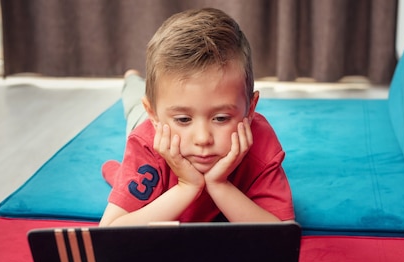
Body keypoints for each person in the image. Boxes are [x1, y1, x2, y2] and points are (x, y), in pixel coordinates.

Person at [99, 7, 295, 226]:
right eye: (183, 119)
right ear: (154, 114)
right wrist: (187, 186)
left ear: (250, 110)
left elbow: (282, 234)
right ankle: (132, 79)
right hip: (145, 120)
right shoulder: (146, 142)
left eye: (221, 118)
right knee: (134, 102)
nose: (202, 139)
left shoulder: (261, 143)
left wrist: (220, 185)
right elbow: (109, 231)